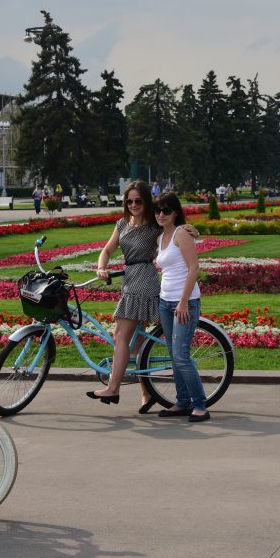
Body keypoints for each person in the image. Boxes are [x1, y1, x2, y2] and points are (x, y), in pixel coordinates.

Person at [88, 180, 160, 413]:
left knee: (120, 336)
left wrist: (191, 229)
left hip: (143, 279)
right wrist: (101, 267)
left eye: (138, 200)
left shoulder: (153, 225)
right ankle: (147, 394)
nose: (133, 204)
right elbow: (107, 250)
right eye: (129, 201)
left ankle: (113, 388)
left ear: (146, 201)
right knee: (136, 343)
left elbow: (176, 227)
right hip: (130, 279)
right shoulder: (122, 224)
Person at [152, 192, 209, 422]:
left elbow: (194, 268)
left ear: (176, 212)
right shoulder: (160, 237)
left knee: (182, 355)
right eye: (158, 210)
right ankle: (182, 401)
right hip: (166, 302)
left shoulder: (181, 234)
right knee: (173, 356)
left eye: (166, 210)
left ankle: (200, 405)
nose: (161, 214)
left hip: (184, 301)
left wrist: (184, 301)